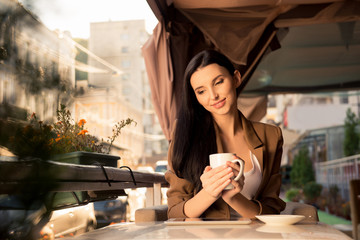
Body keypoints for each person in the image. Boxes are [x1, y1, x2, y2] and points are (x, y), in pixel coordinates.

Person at [165, 49, 286, 219]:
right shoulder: (185, 135)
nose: (213, 96)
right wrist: (209, 193)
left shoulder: (271, 136)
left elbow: (272, 209)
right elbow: (174, 212)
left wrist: (234, 198)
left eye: (218, 82)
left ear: (236, 78)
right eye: (201, 91)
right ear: (195, 98)